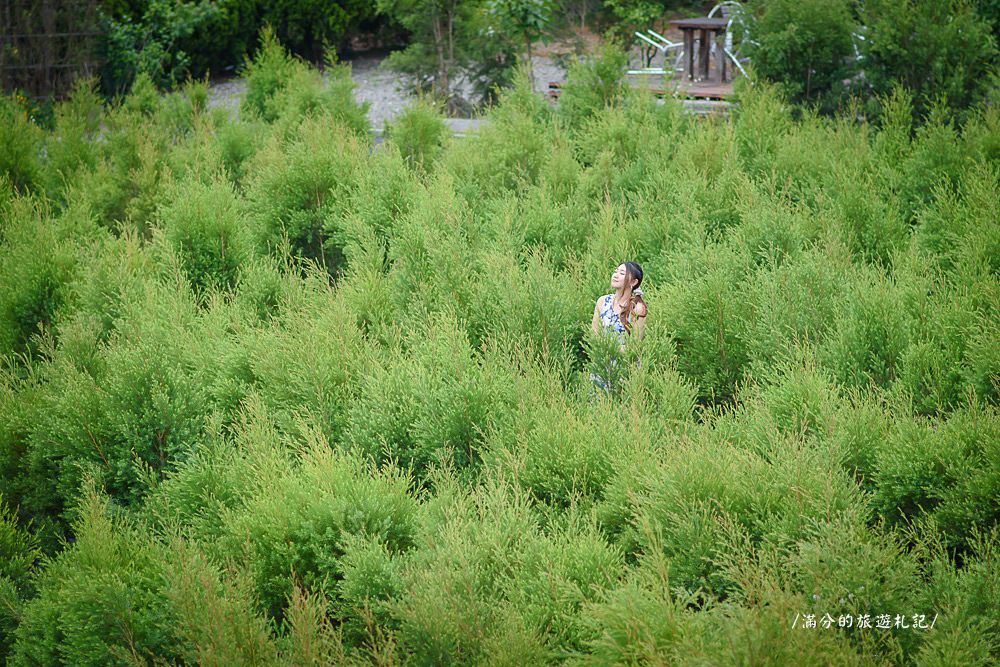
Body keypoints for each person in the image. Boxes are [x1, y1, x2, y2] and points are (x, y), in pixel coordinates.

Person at [589, 261, 647, 391]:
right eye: (615, 271)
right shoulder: (602, 301)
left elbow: (635, 347)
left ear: (633, 282)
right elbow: (594, 334)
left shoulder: (637, 308)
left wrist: (609, 346)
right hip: (602, 365)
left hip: (625, 368)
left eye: (622, 273)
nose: (615, 275)